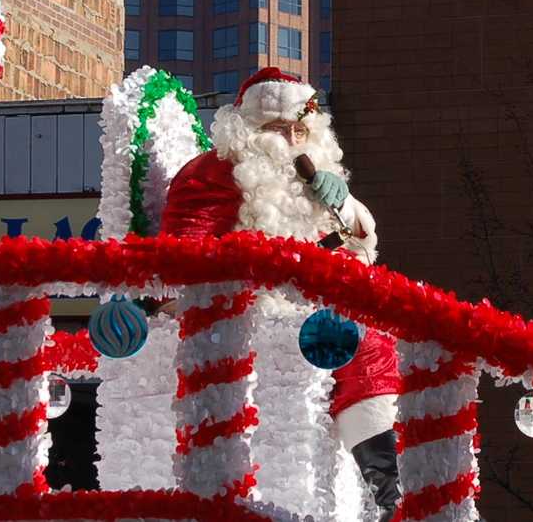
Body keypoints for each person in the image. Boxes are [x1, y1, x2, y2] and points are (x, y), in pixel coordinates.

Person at [159, 67, 401, 520]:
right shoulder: (211, 173)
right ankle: (391, 495)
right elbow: (182, 259)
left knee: (388, 336)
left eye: (300, 129)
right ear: (248, 128)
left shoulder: (318, 180)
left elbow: (363, 246)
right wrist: (274, 265)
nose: (292, 139)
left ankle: (393, 489)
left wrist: (344, 205)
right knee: (364, 344)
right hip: (250, 314)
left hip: (310, 307)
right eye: (278, 129)